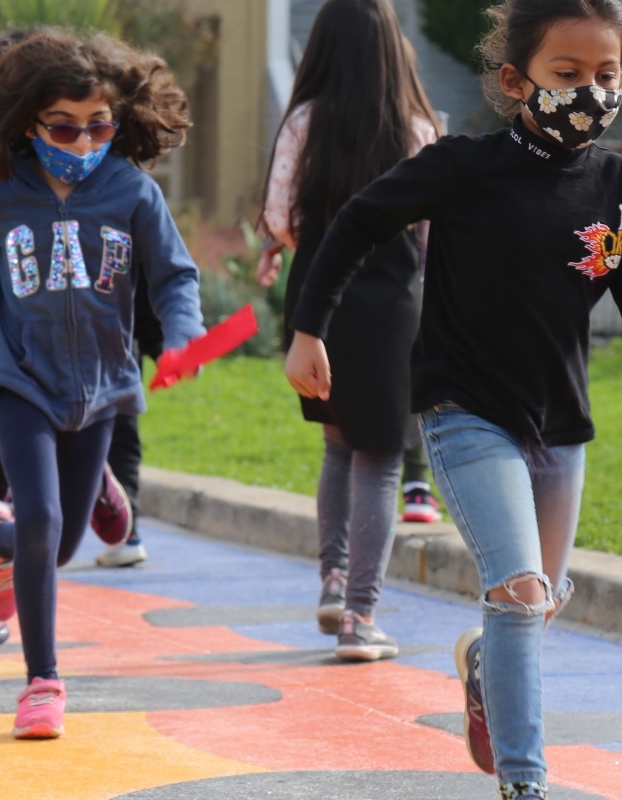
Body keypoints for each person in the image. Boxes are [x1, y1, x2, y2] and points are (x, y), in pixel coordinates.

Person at [280, 1, 622, 797]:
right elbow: (355, 222)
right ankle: (525, 783)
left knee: (534, 606)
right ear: (518, 82)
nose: (590, 91)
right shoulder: (464, 167)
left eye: (607, 75)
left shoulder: (620, 186)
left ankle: (486, 666)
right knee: (517, 591)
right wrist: (309, 329)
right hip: (464, 412)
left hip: (561, 425)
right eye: (568, 75)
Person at [0, 28, 202, 738]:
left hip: (100, 386)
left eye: (97, 125)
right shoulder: (1, 190)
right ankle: (43, 681)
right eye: (62, 127)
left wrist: (185, 335)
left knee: (57, 544)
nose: (80, 140)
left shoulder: (131, 190)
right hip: (20, 381)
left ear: (118, 120)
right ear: (29, 122)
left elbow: (175, 275)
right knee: (42, 519)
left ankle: (0, 539)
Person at [258, 0, 440, 661]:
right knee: (382, 458)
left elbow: (280, 216)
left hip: (316, 305)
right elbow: (432, 226)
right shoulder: (416, 128)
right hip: (391, 307)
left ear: (322, 49)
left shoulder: (305, 120)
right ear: (393, 48)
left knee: (337, 446)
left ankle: (333, 579)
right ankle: (362, 616)